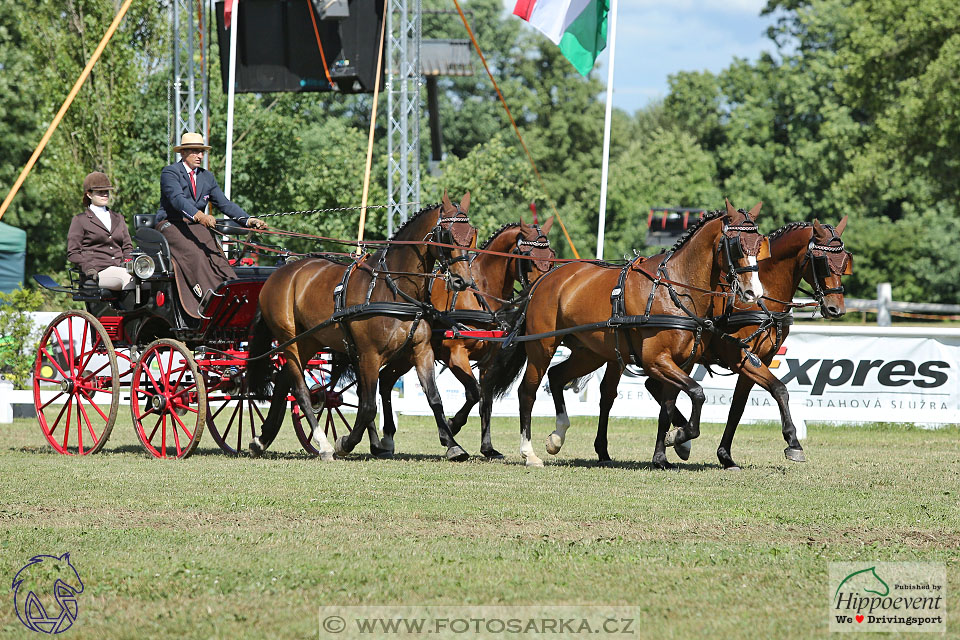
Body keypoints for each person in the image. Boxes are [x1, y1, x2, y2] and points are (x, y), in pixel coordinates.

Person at [156, 132, 266, 317]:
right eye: (195, 151)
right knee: (196, 255)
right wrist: (199, 215)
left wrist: (248, 220)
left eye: (202, 152)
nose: (199, 156)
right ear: (183, 153)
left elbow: (225, 204)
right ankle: (211, 301)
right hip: (171, 224)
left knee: (217, 255)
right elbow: (177, 200)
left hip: (196, 225)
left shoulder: (207, 177)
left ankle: (235, 298)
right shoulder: (170, 173)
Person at [67, 172, 134, 291]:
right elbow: (73, 253)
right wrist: (88, 268)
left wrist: (126, 262)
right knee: (127, 278)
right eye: (100, 192)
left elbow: (128, 247)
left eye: (106, 192)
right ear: (89, 194)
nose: (105, 195)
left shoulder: (118, 218)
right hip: (96, 272)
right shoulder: (80, 220)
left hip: (121, 267)